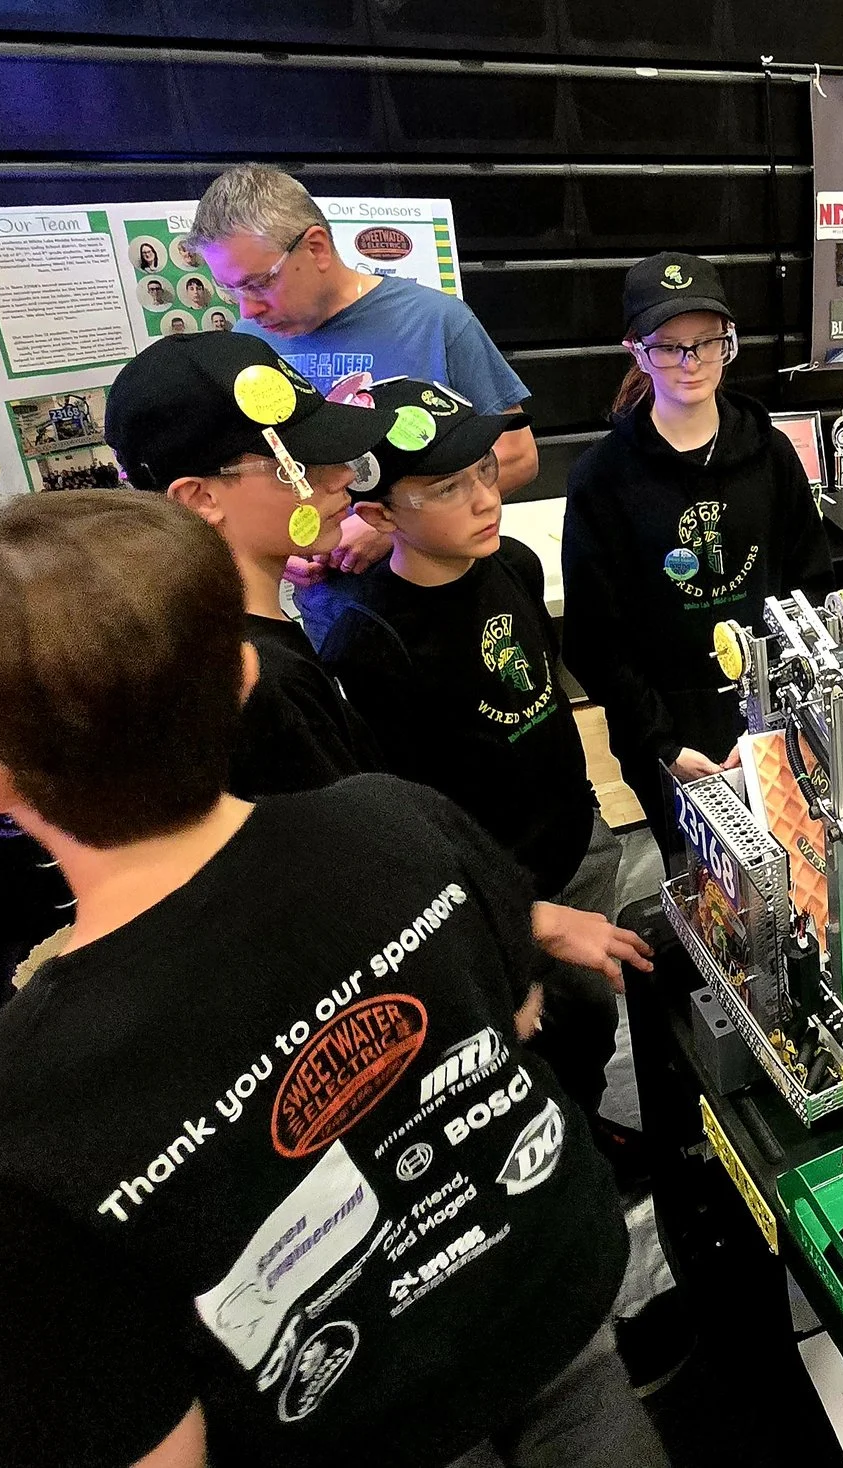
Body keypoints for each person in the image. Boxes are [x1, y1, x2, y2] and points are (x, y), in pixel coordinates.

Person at [0, 491, 671, 1468]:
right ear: (244, 675)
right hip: (556, 1311)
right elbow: (514, 1011)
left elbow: (146, 1451)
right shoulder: (398, 822)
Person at [315, 376, 629, 1120]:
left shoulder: (513, 564)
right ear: (376, 512)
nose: (487, 498)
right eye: (449, 486)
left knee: (588, 1023)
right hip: (490, 893)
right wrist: (502, 912)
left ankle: (589, 1126)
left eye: (485, 470)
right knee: (517, 1049)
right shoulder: (372, 641)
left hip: (576, 843)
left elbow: (541, 701)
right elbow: (404, 819)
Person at [562, 252, 836, 860]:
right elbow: (595, 638)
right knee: (702, 894)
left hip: (776, 718)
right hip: (668, 738)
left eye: (706, 343)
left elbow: (809, 589)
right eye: (668, 346)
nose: (690, 362)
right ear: (637, 351)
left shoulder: (771, 455)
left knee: (799, 870)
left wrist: (777, 719)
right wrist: (662, 745)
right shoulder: (602, 478)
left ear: (727, 342)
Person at [192, 163, 538, 583]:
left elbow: (517, 455)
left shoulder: (435, 321)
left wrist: (393, 525)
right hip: (323, 613)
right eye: (231, 290)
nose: (247, 309)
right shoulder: (248, 343)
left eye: (258, 283)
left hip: (435, 598)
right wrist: (274, 544)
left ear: (316, 247)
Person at [104, 331, 386, 799]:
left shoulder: (204, 632)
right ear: (200, 499)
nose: (342, 475)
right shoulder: (262, 680)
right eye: (296, 464)